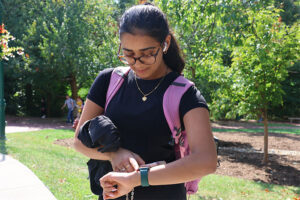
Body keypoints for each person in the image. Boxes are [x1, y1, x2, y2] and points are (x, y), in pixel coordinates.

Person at [74, 3, 217, 200]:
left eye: (147, 54)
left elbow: (206, 161)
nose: (137, 63)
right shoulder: (108, 81)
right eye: (128, 54)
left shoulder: (185, 93)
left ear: (165, 43)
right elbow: (78, 142)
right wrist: (114, 155)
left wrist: (137, 178)